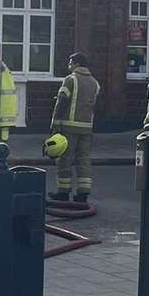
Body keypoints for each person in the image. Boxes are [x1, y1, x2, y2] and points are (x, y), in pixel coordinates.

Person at [50, 52, 100, 203]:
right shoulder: (95, 83)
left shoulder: (70, 79)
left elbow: (62, 101)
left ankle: (63, 192)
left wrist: (55, 122)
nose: (69, 65)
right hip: (86, 127)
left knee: (64, 159)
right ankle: (83, 194)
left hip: (68, 127)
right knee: (83, 159)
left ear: (77, 64)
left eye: (70, 62)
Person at [0, 64, 19, 145]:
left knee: (4, 127)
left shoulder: (3, 74)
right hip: (8, 106)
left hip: (4, 105)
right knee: (5, 127)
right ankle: (4, 142)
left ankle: (3, 142)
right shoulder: (7, 74)